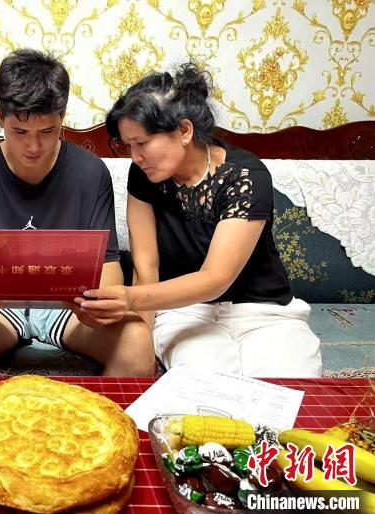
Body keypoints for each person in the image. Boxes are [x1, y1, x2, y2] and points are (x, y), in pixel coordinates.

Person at [75, 63, 322, 377]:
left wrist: (130, 299)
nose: (135, 157)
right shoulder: (143, 176)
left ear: (184, 131)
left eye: (142, 143)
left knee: (288, 385)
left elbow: (216, 278)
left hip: (263, 312)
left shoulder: (246, 176)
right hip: (183, 312)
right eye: (128, 146)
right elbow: (146, 267)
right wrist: (141, 344)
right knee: (203, 387)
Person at [0, 49, 154, 376]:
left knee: (136, 340)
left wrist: (97, 304)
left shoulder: (91, 173)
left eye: (47, 132)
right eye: (20, 133)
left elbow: (108, 265)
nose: (33, 147)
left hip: (70, 309)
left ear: (62, 117)